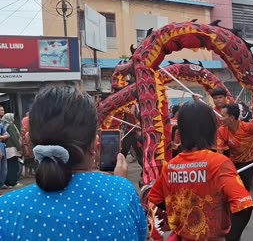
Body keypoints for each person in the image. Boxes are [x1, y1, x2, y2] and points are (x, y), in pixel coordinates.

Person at [0, 86, 147, 239]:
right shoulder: (123, 193)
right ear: (94, 144)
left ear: (31, 143)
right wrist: (118, 184)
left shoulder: (6, 210)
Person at [148, 102, 253, 241]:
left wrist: (181, 214)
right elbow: (244, 206)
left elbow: (155, 197)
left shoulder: (171, 166)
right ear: (211, 130)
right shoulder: (218, 163)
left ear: (180, 132)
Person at [2, 113, 22, 187]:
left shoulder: (5, 126)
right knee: (13, 166)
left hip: (8, 148)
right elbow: (14, 138)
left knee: (9, 166)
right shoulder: (10, 126)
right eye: (12, 117)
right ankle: (13, 182)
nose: (13, 119)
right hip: (12, 149)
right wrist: (19, 148)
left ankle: (8, 182)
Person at [0, 121, 10, 190]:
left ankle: (1, 184)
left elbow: (8, 135)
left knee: (4, 168)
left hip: (2, 146)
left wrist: (1, 137)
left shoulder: (0, 125)